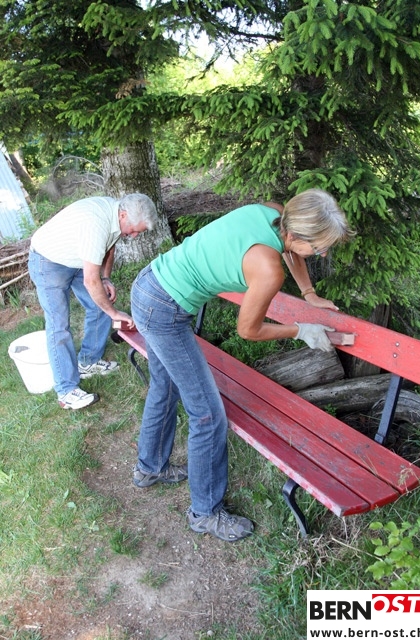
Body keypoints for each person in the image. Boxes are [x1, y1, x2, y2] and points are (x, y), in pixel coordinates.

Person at [130, 189, 354, 542]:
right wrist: (301, 330)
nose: (322, 254)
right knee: (208, 415)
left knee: (165, 384)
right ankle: (205, 513)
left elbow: (290, 250)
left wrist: (308, 293)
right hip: (165, 312)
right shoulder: (267, 268)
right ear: (297, 234)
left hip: (149, 287)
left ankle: (150, 468)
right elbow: (248, 330)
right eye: (319, 248)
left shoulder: (273, 213)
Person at [29, 193, 158, 410]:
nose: (135, 236)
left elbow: (110, 248)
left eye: (139, 232)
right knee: (59, 326)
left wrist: (105, 279)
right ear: (124, 215)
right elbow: (90, 280)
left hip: (75, 258)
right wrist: (114, 313)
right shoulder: (96, 223)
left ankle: (88, 361)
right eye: (135, 230)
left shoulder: (117, 217)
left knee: (101, 304)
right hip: (48, 261)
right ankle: (66, 391)